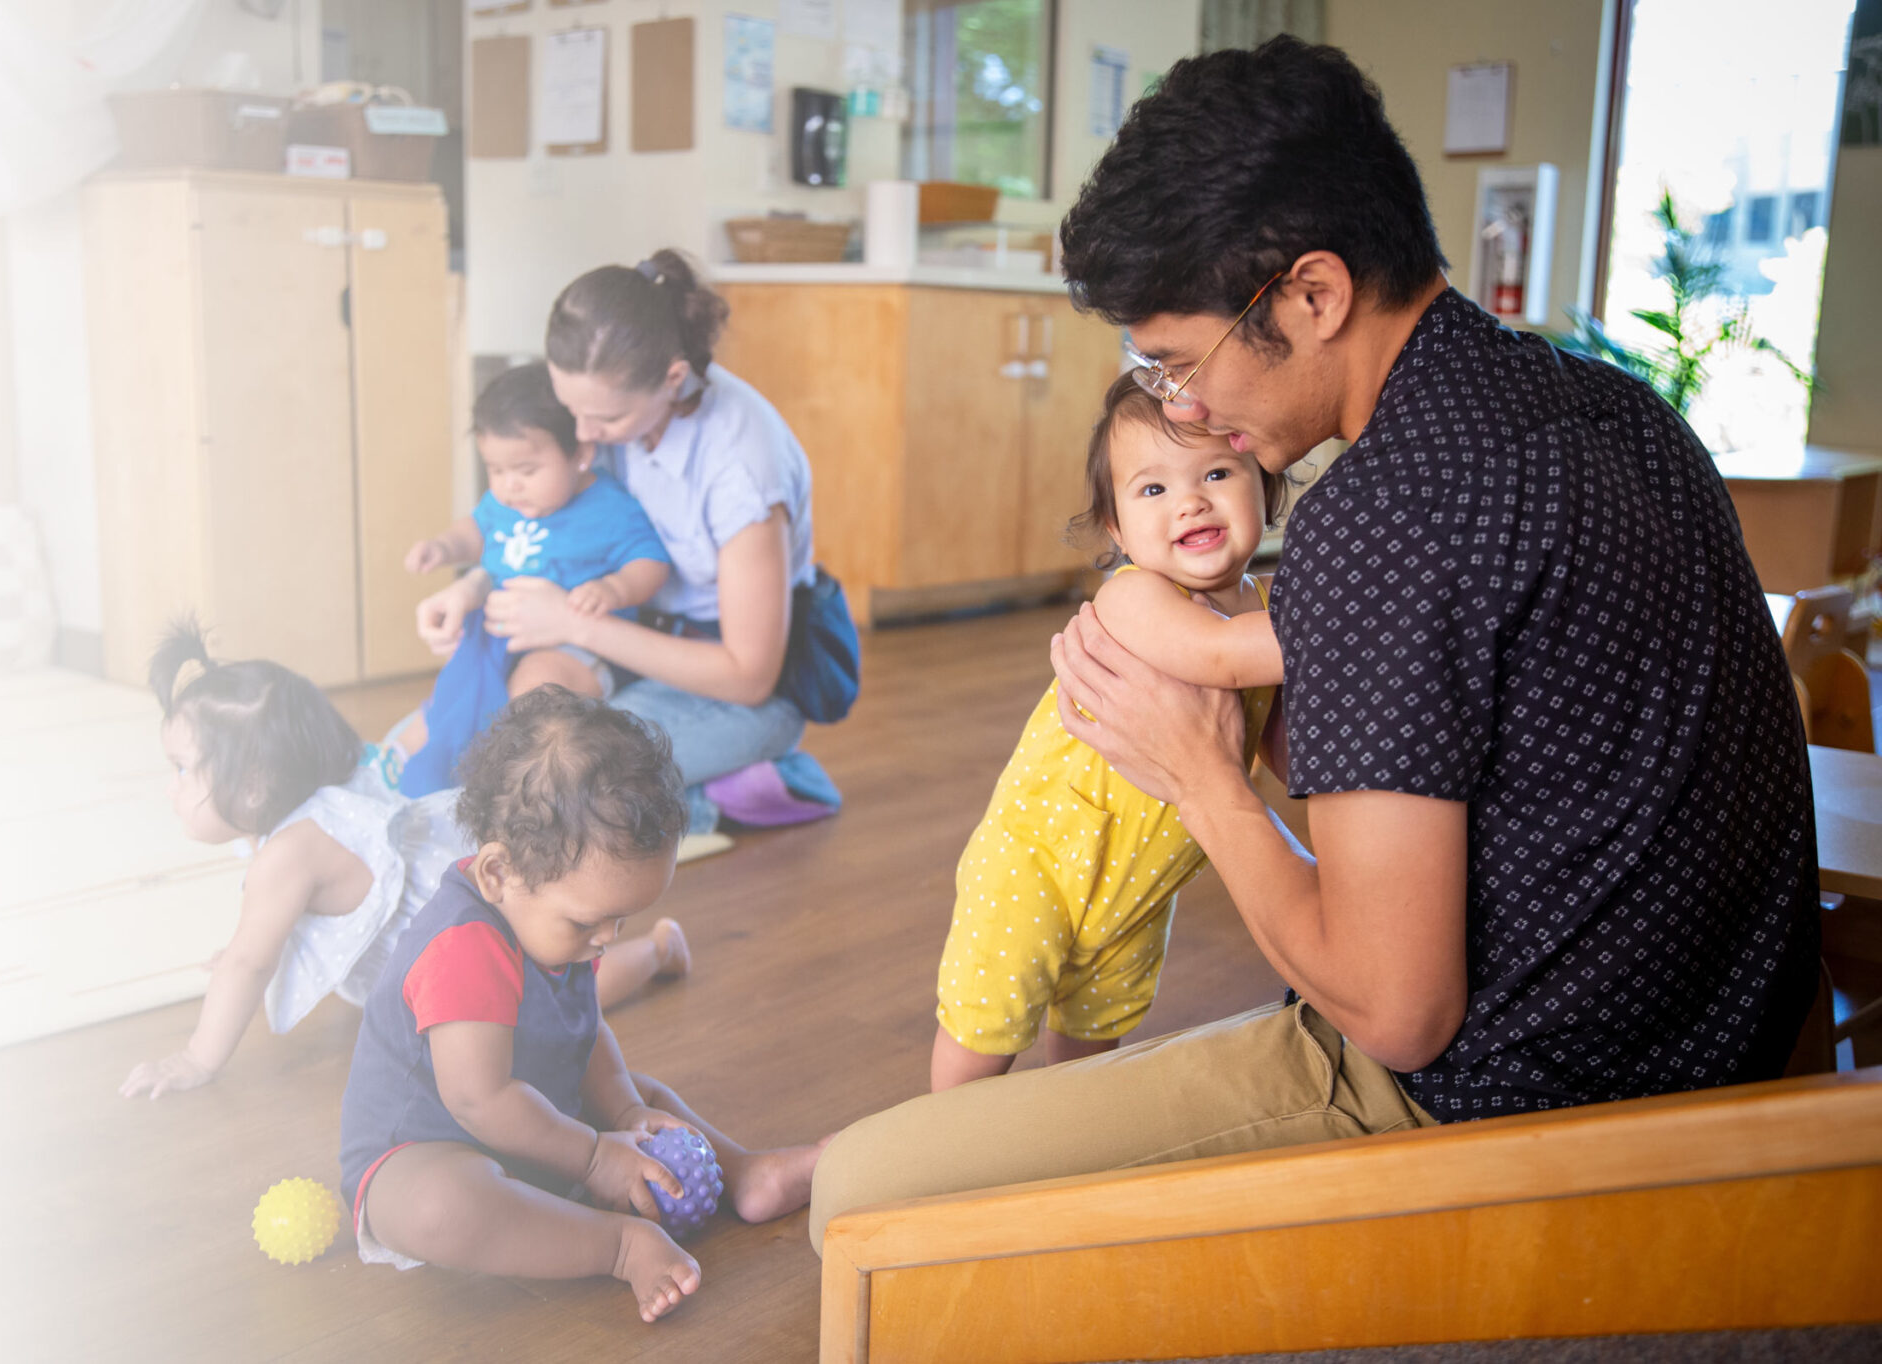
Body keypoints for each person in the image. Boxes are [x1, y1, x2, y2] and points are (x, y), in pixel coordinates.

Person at [810, 35, 1816, 1249]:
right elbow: (1493, 747)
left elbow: (1399, 1013)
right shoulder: (1619, 410)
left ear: (1312, 293)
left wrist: (1199, 772)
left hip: (1509, 1120)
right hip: (1728, 1069)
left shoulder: (1379, 519)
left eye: (1178, 361)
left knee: (867, 1197)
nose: (1179, 409)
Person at [338, 688, 824, 1321]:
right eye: (591, 923)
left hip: (538, 1123)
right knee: (444, 1206)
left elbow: (583, 1029)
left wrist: (622, 1108)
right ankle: (620, 1247)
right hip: (431, 1148)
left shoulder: (555, 915)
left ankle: (744, 1173)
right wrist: (594, 1157)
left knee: (645, 1096)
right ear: (497, 874)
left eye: (622, 921)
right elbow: (478, 1100)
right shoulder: (463, 945)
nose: (608, 940)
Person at [119, 623, 691, 1100]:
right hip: (466, 918)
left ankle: (659, 949)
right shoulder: (321, 811)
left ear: (253, 786)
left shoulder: (290, 852)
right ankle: (652, 950)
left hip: (481, 944)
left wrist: (197, 1058)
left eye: (181, 768)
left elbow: (249, 963)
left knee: (565, 1000)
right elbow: (264, 936)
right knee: (562, 980)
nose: (171, 786)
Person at [931, 375, 1286, 1092]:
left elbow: (1286, 754)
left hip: (1140, 886)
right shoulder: (1136, 597)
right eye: (1152, 490)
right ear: (1119, 530)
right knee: (985, 1032)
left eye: (1217, 473)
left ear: (1266, 492)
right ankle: (944, 1155)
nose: (1189, 501)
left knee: (1094, 1044)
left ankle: (1069, 1143)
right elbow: (1217, 656)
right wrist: (1368, 612)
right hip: (1040, 861)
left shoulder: (1261, 614)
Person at [476, 249, 848, 821]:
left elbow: (749, 676)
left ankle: (744, 786)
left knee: (562, 779)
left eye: (604, 420)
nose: (584, 435)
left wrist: (574, 624)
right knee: (494, 740)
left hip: (737, 689)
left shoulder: (740, 469)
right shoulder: (614, 414)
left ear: (673, 379)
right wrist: (470, 587)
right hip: (630, 642)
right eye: (571, 409)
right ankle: (701, 789)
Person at [399, 362, 671, 796]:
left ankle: (506, 790)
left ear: (580, 453)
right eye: (496, 469)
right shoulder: (503, 503)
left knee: (533, 693)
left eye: (526, 471)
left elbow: (651, 562)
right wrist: (444, 547)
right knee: (449, 699)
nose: (510, 487)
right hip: (503, 633)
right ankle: (404, 768)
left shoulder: (608, 508)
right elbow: (475, 528)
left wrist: (614, 589)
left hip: (576, 644)